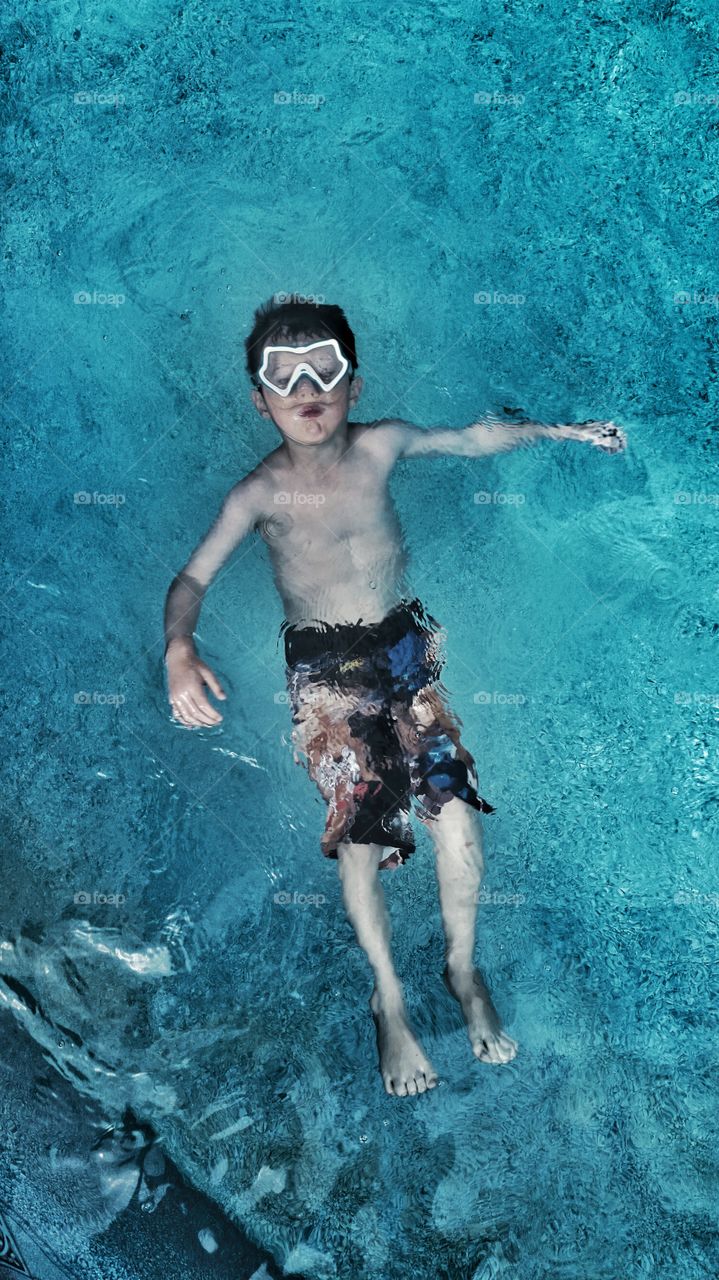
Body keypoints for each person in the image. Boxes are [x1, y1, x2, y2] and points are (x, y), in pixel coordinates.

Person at [163, 297, 626, 1097]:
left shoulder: (380, 445)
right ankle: (390, 997)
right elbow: (193, 577)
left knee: (455, 818)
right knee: (362, 836)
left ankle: (460, 970)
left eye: (325, 369)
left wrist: (558, 431)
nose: (306, 384)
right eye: (283, 374)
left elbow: (471, 439)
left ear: (354, 383)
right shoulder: (259, 494)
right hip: (326, 673)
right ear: (259, 399)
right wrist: (178, 646)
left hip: (406, 650)